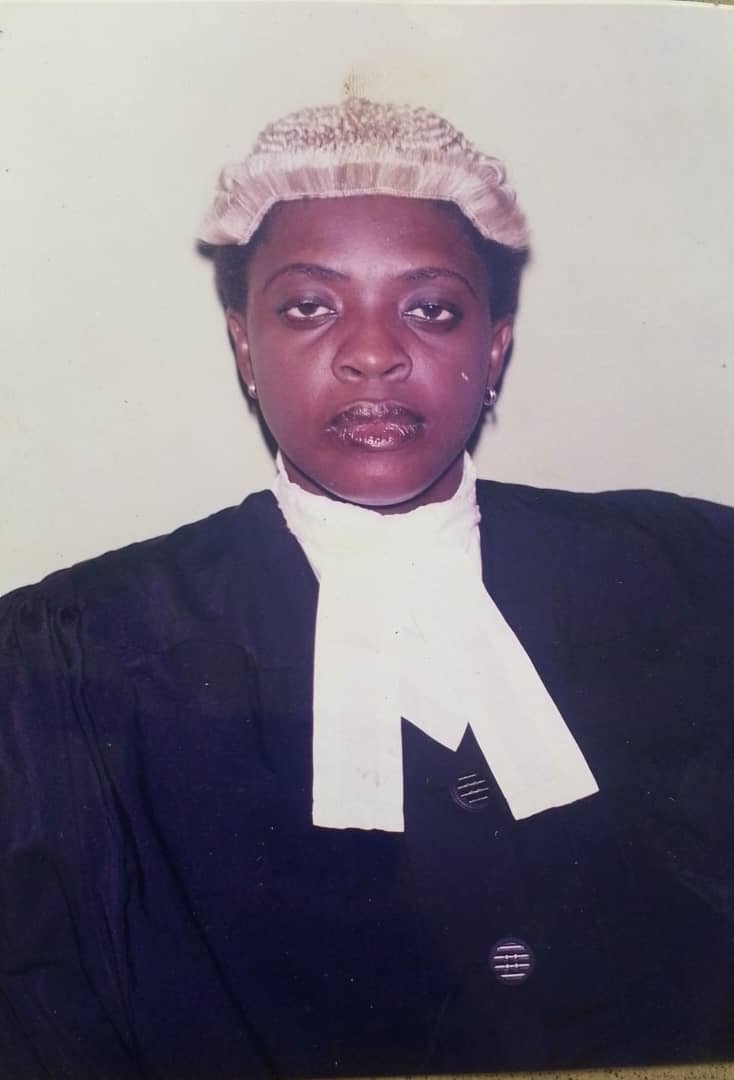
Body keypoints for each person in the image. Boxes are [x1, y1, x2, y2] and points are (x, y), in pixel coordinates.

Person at [1, 97, 733, 1080]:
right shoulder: (70, 659)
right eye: (310, 307)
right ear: (243, 347)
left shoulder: (693, 574)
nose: (374, 352)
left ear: (494, 349)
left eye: (431, 309)